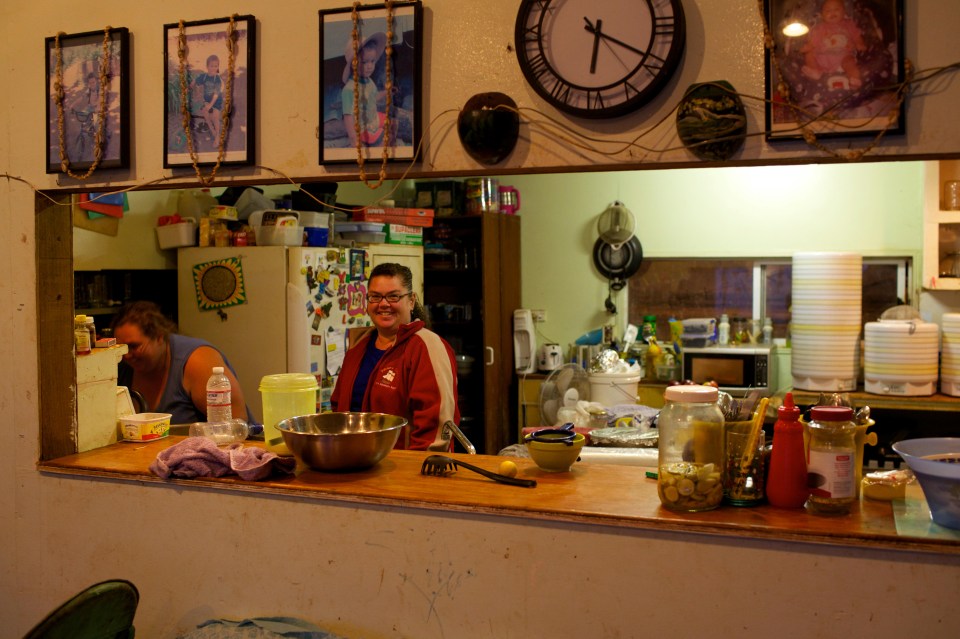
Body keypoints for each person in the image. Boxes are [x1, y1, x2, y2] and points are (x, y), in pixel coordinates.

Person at [330, 263, 460, 451]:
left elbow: (437, 426)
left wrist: (419, 470)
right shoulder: (358, 346)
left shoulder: (427, 347)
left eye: (393, 296)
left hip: (402, 471)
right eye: (375, 297)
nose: (383, 304)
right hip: (354, 465)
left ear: (411, 300)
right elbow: (338, 409)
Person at [112, 301, 252, 425]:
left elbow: (236, 423)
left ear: (159, 337)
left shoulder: (198, 361)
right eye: (121, 348)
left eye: (134, 346)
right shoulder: (122, 367)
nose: (127, 355)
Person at [340, 32, 395, 147]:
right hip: (362, 127)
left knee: (392, 122)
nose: (370, 66)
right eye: (364, 62)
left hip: (372, 118)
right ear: (353, 65)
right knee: (382, 138)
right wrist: (353, 136)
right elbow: (348, 116)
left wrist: (386, 93)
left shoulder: (369, 81)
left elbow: (373, 97)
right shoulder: (349, 90)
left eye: (372, 61)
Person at [800, 0, 866, 89]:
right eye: (828, 11)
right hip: (822, 58)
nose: (832, 12)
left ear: (844, 12)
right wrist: (808, 47)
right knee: (809, 54)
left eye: (836, 9)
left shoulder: (849, 24)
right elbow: (813, 42)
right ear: (822, 15)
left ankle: (854, 79)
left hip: (844, 56)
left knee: (850, 63)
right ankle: (815, 71)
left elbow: (856, 35)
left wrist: (859, 43)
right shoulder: (820, 28)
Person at [190, 54, 224, 141]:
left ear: (218, 67)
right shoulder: (204, 76)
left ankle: (217, 136)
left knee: (215, 117)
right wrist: (190, 86)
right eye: (211, 66)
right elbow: (195, 81)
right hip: (207, 100)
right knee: (206, 114)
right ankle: (212, 130)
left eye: (216, 66)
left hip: (216, 102)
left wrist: (210, 105)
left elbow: (216, 94)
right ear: (207, 66)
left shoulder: (217, 79)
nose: (213, 68)